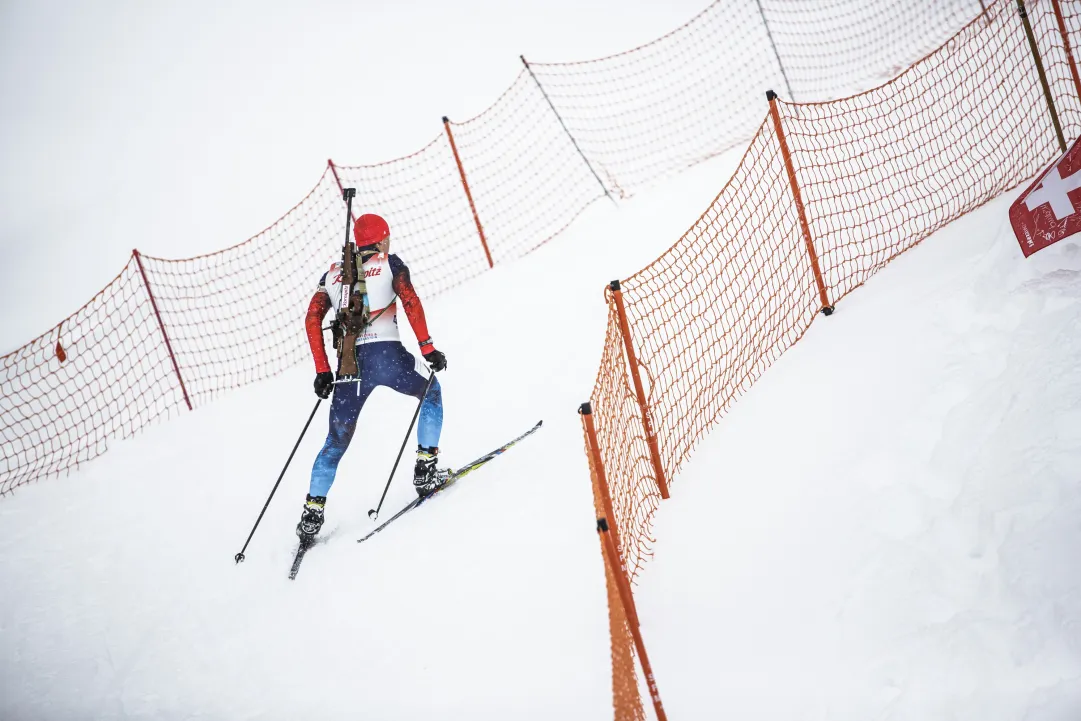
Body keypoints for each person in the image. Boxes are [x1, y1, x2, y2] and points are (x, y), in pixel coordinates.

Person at [296, 213, 448, 539]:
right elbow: (409, 300)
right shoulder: (390, 263)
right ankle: (426, 469)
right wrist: (427, 348)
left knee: (335, 442)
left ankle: (312, 512)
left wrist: (323, 370)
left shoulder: (332, 274)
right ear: (380, 240)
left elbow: (312, 319)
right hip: (390, 359)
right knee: (431, 393)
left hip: (349, 369)